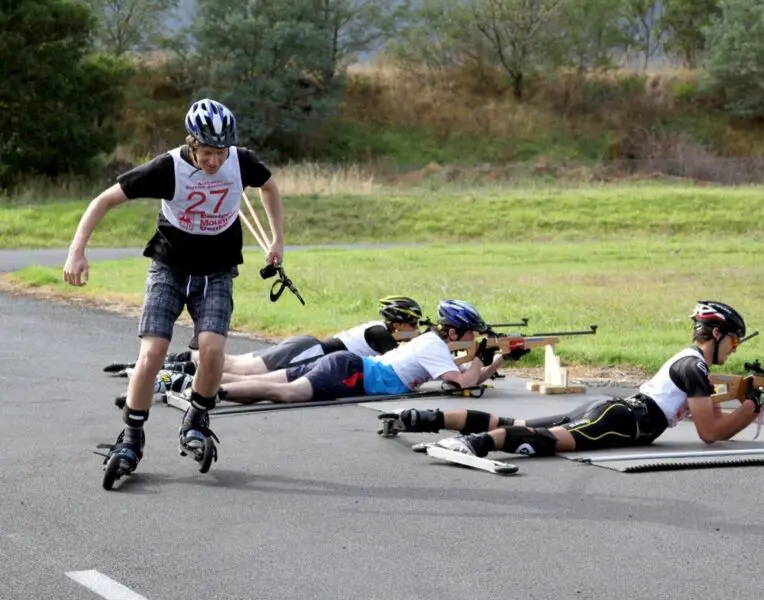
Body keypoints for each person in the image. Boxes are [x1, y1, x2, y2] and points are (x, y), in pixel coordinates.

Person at [63, 98, 285, 485]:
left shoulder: (242, 161)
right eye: (207, 153)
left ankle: (196, 421)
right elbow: (104, 200)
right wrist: (76, 250)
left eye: (220, 153)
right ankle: (131, 438)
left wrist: (278, 240)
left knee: (213, 350)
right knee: (153, 352)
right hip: (169, 267)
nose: (214, 161)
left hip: (216, 271)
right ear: (192, 143)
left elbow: (269, 186)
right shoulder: (168, 168)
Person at [382, 300, 764, 460]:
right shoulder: (693, 367)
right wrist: (757, 406)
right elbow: (711, 433)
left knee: (517, 427)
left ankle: (423, 417)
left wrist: (753, 397)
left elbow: (712, 416)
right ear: (719, 336)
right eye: (735, 342)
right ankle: (474, 444)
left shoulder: (693, 366)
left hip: (621, 414)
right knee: (548, 441)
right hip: (622, 419)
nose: (736, 350)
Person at [213, 300, 528, 404]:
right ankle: (215, 392)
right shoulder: (433, 345)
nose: (475, 338)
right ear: (456, 332)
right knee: (284, 392)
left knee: (275, 382)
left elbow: (463, 378)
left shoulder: (434, 345)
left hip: (349, 366)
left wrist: (498, 358)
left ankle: (204, 384)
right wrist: (481, 357)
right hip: (355, 374)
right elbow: (461, 386)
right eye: (472, 333)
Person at [151, 296, 425, 391]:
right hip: (309, 352)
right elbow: (408, 349)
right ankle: (179, 376)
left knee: (238, 362)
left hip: (306, 346)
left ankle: (177, 364)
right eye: (413, 324)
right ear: (398, 323)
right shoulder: (381, 334)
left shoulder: (379, 328)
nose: (415, 330)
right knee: (246, 371)